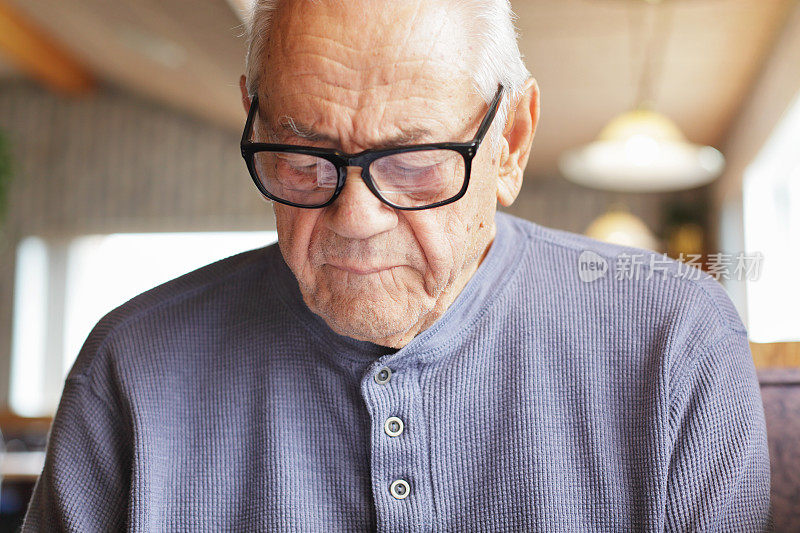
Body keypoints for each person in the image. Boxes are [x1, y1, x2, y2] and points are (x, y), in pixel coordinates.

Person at [22, 0, 771, 531]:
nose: (355, 219)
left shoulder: (676, 345)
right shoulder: (132, 367)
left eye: (414, 162)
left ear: (510, 141)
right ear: (251, 113)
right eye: (304, 157)